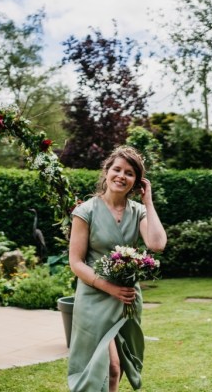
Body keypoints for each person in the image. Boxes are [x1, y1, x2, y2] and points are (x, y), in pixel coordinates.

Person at [67, 145, 167, 391]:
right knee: (108, 365)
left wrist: (149, 201)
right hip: (94, 297)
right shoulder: (86, 211)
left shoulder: (139, 212)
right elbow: (76, 263)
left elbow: (157, 244)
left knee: (119, 365)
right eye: (117, 169)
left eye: (130, 173)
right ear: (107, 171)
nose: (122, 176)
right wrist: (108, 287)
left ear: (137, 181)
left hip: (126, 299)